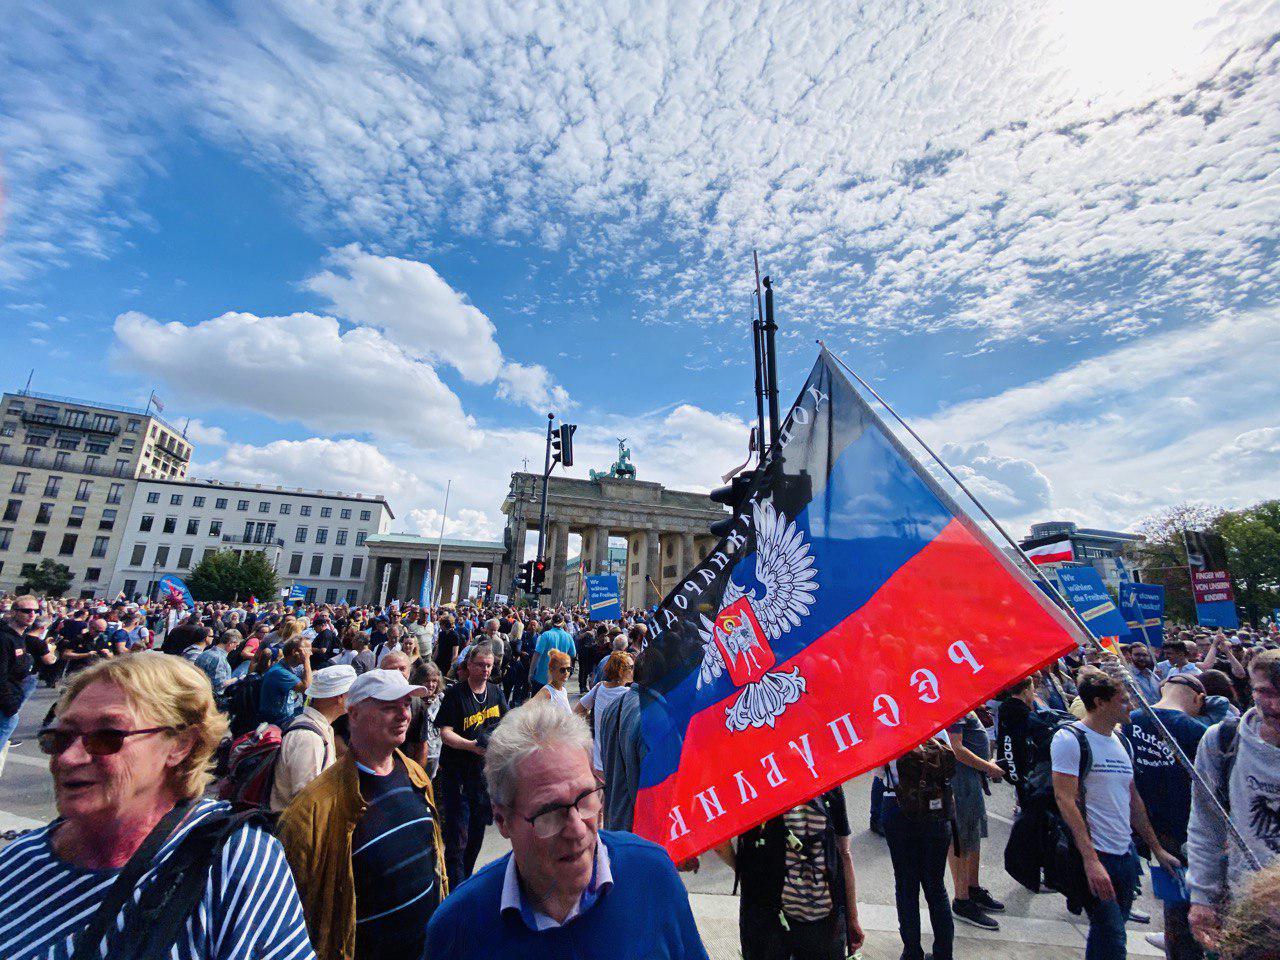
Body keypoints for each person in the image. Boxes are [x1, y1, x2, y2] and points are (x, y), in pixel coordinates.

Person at [0, 653, 313, 959]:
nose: (69, 757)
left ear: (180, 745)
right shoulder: (17, 859)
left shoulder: (230, 860)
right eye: (60, 737)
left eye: (108, 736)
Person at [423, 700, 710, 960]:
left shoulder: (653, 873)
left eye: (585, 798)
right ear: (502, 820)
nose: (577, 829)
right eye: (550, 811)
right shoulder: (457, 928)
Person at [278, 669, 447, 960]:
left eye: (406, 704)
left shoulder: (416, 776)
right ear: (353, 714)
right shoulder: (313, 809)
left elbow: (435, 860)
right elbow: (296, 911)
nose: (404, 714)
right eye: (389, 707)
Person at [1052, 669, 1183, 960]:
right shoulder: (1070, 739)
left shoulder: (1122, 742)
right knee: (1113, 936)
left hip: (1125, 855)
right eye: (1123, 700)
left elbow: (1133, 800)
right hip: (1095, 855)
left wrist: (1156, 849)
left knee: (1107, 934)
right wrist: (1090, 860)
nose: (1131, 705)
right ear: (1100, 703)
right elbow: (1065, 799)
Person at [1187, 648, 1280, 952]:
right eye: (1265, 692)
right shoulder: (1223, 741)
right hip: (1246, 913)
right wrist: (1202, 897)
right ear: (1250, 688)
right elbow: (1205, 824)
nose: (1275, 705)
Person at [719, 788, 865, 960]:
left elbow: (720, 842)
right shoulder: (829, 785)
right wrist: (852, 918)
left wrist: (743, 871)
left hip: (768, 914)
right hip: (825, 915)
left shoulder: (752, 787)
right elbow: (844, 854)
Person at [1122, 673, 1209, 960]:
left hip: (1145, 827)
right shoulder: (1195, 731)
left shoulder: (1131, 720)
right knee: (1191, 907)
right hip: (1185, 831)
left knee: (1173, 904)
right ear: (1198, 698)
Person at [436, 644, 509, 887]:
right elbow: (445, 733)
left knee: (477, 834)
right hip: (457, 776)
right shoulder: (456, 694)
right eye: (480, 665)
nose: (485, 670)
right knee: (458, 838)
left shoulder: (495, 693)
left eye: (489, 665)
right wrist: (470, 746)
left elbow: (507, 724)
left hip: (483, 778)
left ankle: (465, 882)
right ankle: (454, 889)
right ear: (469, 665)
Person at [882, 735, 956, 960]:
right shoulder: (935, 726)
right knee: (936, 886)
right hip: (936, 810)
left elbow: (878, 773)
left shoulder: (885, 730)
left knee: (906, 885)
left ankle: (912, 952)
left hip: (898, 806)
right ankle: (944, 953)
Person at [947, 709, 1006, 929]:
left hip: (969, 779)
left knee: (972, 835)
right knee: (962, 838)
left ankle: (972, 888)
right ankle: (962, 899)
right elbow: (956, 748)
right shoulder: (952, 705)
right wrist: (988, 767)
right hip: (960, 781)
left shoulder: (962, 704)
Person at [270, 663, 355, 813]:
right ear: (340, 697)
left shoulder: (323, 729)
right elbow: (306, 801)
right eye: (352, 693)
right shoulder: (309, 738)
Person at [576, 651, 634, 776]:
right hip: (619, 765)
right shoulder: (629, 694)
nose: (634, 670)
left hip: (598, 761)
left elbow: (578, 710)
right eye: (631, 667)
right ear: (621, 671)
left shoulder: (599, 688)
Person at [0, 596, 38, 760]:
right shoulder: (5, 638)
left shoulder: (21, 636)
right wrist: (9, 704)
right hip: (5, 697)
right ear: (14, 612)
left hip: (14, 691)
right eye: (26, 611)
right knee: (9, 723)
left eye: (35, 611)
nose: (32, 614)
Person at [258, 636, 313, 725]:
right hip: (277, 722)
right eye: (308, 651)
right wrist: (307, 660)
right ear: (294, 652)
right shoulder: (279, 671)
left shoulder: (288, 667)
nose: (310, 654)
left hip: (286, 716)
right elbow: (306, 687)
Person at [530, 615, 575, 695]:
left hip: (542, 677)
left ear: (551, 622)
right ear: (563, 623)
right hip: (559, 678)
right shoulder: (568, 636)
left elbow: (537, 655)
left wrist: (531, 672)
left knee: (538, 702)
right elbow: (573, 654)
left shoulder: (546, 635)